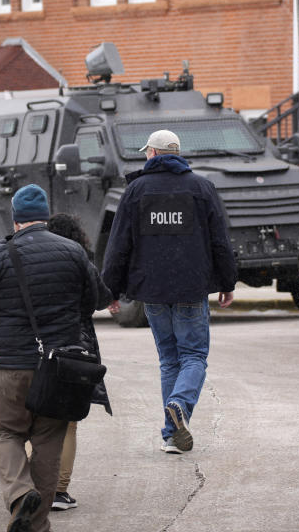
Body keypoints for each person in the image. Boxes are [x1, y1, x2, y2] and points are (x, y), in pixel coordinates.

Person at [0, 185, 108, 532]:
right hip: (59, 370)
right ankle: (37, 523)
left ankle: (19, 493)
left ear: (15, 218)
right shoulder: (73, 252)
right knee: (48, 444)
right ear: (45, 215)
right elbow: (99, 299)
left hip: (12, 366)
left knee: (1, 433)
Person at [101, 129, 237, 454]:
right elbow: (220, 240)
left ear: (153, 154)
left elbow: (118, 245)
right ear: (176, 153)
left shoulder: (135, 191)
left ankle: (170, 435)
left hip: (153, 290)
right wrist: (228, 282)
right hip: (192, 287)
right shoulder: (202, 188)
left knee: (169, 360)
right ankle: (178, 408)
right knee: (193, 356)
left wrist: (110, 290)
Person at [44, 213, 112, 512]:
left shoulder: (35, 259)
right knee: (68, 423)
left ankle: (38, 487)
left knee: (39, 419)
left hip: (39, 345)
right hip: (74, 345)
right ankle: (59, 491)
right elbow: (100, 298)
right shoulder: (79, 259)